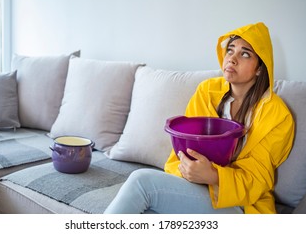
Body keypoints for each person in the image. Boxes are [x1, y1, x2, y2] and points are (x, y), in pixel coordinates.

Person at [104, 22, 295, 214]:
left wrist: (214, 177)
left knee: (141, 183)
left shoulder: (276, 115)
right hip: (196, 189)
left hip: (243, 206)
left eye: (245, 54)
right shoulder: (207, 92)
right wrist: (190, 171)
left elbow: (259, 179)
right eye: (230, 50)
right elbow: (182, 153)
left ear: (260, 68)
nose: (233, 59)